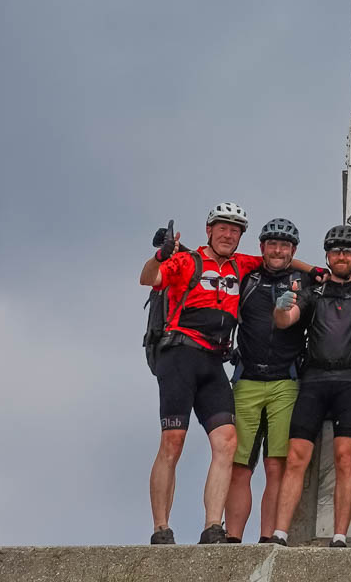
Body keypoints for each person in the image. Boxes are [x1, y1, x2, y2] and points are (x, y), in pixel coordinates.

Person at [139, 202, 260, 546]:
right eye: (222, 228)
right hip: (179, 355)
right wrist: (160, 256)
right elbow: (148, 279)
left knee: (227, 442)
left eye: (235, 230)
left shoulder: (241, 264)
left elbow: (276, 259)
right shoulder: (187, 261)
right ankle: (161, 528)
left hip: (213, 362)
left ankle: (212, 527)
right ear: (209, 230)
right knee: (173, 441)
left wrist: (316, 271)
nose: (228, 235)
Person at [269, 223, 351, 546]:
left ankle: (339, 536)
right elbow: (287, 320)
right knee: (296, 456)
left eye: (348, 252)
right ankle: (279, 534)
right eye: (336, 251)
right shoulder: (315, 292)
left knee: (344, 457)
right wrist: (280, 309)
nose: (341, 256)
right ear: (327, 256)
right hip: (314, 380)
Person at [223, 217, 308, 544]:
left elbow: (291, 317)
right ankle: (232, 539)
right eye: (272, 244)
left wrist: (311, 273)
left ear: (293, 250)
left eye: (285, 245)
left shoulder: (302, 282)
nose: (278, 250)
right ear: (262, 247)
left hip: (285, 382)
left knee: (276, 467)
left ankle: (267, 539)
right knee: (239, 466)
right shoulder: (248, 277)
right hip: (246, 379)